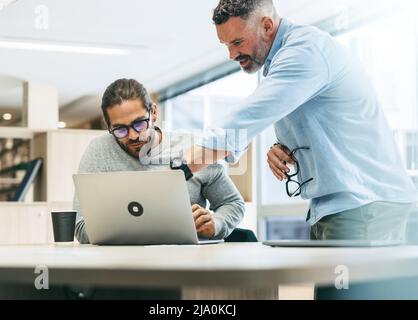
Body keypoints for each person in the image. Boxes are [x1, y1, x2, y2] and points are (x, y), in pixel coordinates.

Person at [181, 0, 417, 241]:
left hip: (365, 204)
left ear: (267, 25)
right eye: (226, 45)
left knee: (346, 279)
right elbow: (321, 123)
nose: (231, 54)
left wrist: (182, 169)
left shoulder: (305, 50)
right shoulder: (282, 61)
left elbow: (247, 117)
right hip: (338, 207)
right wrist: (283, 147)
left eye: (237, 42)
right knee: (329, 279)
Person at [74, 78, 245, 244]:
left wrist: (217, 223)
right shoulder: (98, 152)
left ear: (154, 112)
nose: (133, 135)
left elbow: (232, 203)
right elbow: (80, 226)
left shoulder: (195, 150)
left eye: (139, 123)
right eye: (120, 130)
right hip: (120, 264)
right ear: (109, 126)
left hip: (186, 263)